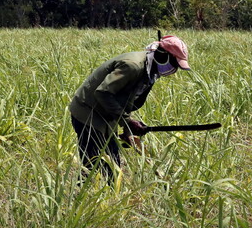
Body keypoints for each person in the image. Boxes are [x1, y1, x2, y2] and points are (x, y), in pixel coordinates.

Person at [69, 35, 190, 182]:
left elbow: (126, 100)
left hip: (106, 115)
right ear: (162, 55)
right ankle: (79, 198)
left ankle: (106, 197)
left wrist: (128, 129)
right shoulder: (133, 66)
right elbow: (103, 92)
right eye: (174, 64)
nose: (174, 69)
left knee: (113, 167)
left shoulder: (150, 71)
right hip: (87, 113)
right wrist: (127, 122)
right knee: (93, 166)